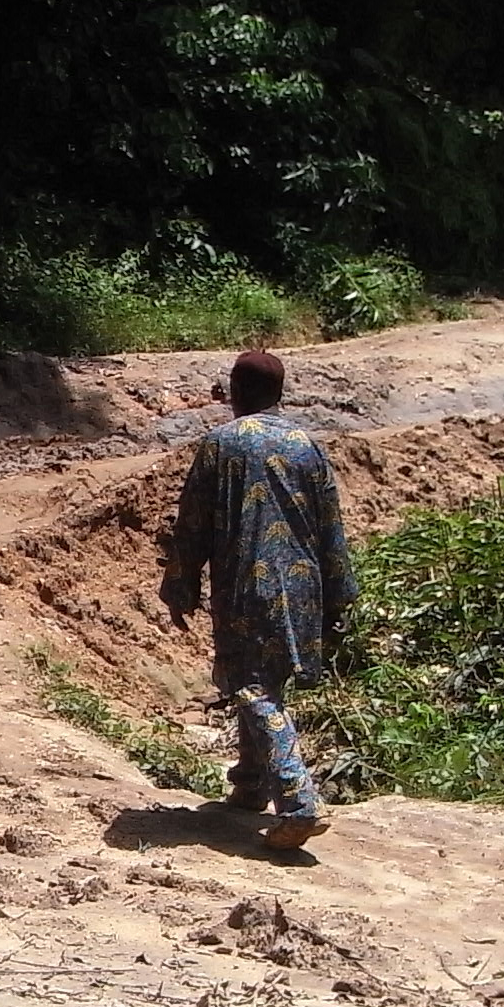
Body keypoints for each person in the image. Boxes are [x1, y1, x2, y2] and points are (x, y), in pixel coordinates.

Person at [160, 348, 353, 849]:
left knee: (251, 685)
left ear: (236, 392)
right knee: (267, 680)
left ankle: (298, 801)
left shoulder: (220, 444)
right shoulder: (307, 446)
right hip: (303, 586)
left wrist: (181, 585)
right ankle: (249, 786)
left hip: (248, 586)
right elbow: (331, 529)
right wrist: (338, 597)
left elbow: (193, 523)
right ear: (280, 393)